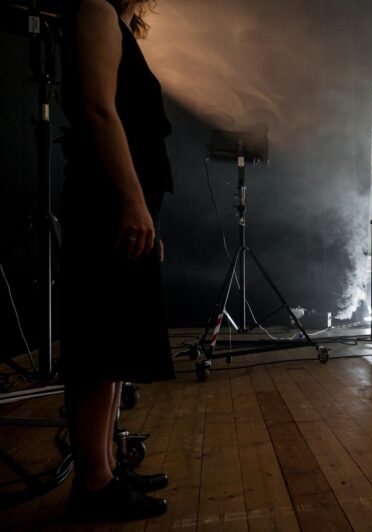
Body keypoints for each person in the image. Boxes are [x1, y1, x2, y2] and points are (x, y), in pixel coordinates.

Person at [59, 0, 174, 521]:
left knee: (113, 346)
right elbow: (98, 110)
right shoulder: (96, 11)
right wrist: (132, 202)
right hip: (105, 203)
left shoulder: (118, 24)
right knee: (99, 343)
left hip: (125, 206)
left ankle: (105, 469)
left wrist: (148, 213)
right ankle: (94, 483)